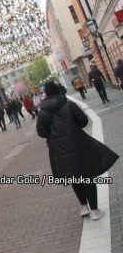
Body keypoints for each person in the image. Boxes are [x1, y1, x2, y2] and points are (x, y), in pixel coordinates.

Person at [36, 82, 119, 221]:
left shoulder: (43, 111)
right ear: (58, 90)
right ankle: (95, 210)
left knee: (74, 177)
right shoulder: (68, 104)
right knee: (87, 177)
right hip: (79, 145)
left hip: (59, 150)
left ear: (46, 94)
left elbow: (42, 132)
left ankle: (83, 207)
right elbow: (83, 122)